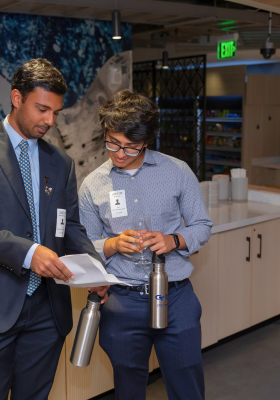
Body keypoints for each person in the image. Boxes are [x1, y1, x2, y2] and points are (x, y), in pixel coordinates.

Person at [0, 58, 105, 400]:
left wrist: (96, 270)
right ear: (17, 98)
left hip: (48, 310)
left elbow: (70, 225)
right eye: (42, 109)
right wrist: (30, 253)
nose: (49, 121)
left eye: (56, 113)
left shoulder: (60, 162)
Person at [79, 89, 213, 400]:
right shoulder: (92, 185)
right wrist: (111, 244)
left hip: (176, 297)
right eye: (112, 143)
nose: (120, 153)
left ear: (146, 141)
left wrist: (173, 240)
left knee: (187, 384)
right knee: (128, 389)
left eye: (130, 147)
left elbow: (202, 226)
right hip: (121, 302)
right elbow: (84, 246)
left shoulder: (177, 171)